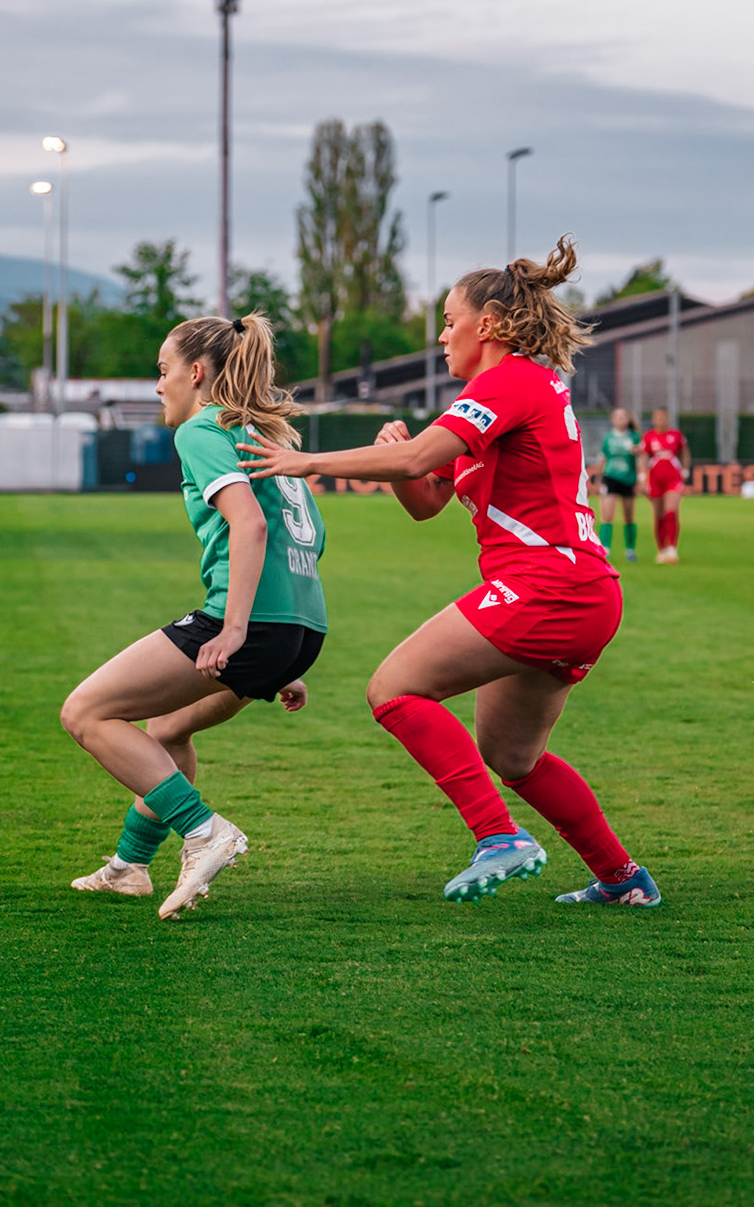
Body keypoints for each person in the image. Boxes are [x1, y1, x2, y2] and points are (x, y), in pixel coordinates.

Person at [240, 237, 660, 907]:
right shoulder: (501, 395)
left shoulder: (511, 381)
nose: (441, 336)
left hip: (545, 587)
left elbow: (416, 465)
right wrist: (404, 454)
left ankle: (497, 837)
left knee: (393, 689)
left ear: (485, 326)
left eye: (447, 320)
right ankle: (622, 878)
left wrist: (307, 460)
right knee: (514, 757)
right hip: (578, 594)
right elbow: (424, 498)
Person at [59, 312, 327, 919]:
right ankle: (129, 867)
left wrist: (237, 631)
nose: (158, 386)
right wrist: (282, 654)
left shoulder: (202, 430)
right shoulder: (268, 436)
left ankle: (206, 832)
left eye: (163, 371)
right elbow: (304, 538)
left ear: (197, 372)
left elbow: (251, 525)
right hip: (300, 628)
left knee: (86, 711)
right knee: (167, 731)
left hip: (251, 625)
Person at [640, 408, 691, 563]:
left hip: (673, 478)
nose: (661, 420)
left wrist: (685, 470)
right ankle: (661, 549)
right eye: (658, 417)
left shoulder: (676, 435)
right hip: (655, 479)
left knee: (671, 511)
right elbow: (643, 456)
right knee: (658, 515)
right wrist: (642, 477)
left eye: (664, 417)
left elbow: (685, 452)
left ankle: (672, 549)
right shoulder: (649, 436)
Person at [594, 407, 642, 562]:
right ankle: (605, 549)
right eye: (618, 416)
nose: (621, 419)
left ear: (628, 419)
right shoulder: (608, 438)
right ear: (613, 420)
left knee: (629, 516)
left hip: (628, 479)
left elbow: (640, 459)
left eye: (624, 416)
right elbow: (603, 458)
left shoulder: (634, 437)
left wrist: (641, 478)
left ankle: (630, 549)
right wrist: (599, 479)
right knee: (607, 515)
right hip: (611, 478)